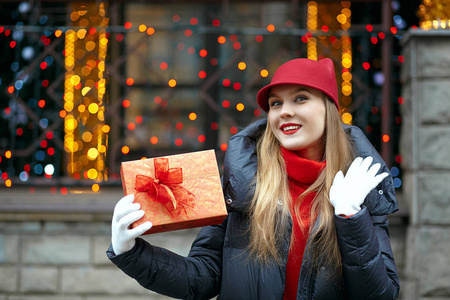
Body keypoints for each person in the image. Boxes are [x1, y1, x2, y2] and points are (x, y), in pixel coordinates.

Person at [107, 58, 400, 300]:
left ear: (329, 109)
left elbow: (380, 295)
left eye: (300, 98)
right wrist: (130, 252)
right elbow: (203, 277)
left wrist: (352, 217)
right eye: (275, 103)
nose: (284, 111)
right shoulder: (243, 182)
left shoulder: (360, 185)